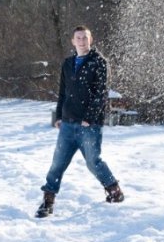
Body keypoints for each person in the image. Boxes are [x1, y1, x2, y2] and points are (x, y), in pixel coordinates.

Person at [37, 25, 124, 218]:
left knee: (93, 163)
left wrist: (89, 118)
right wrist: (59, 116)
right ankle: (48, 201)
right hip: (67, 124)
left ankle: (114, 191)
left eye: (85, 38)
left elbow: (101, 93)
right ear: (73, 41)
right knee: (57, 164)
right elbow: (62, 92)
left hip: (89, 125)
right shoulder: (67, 64)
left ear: (90, 40)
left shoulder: (99, 62)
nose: (82, 41)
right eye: (78, 38)